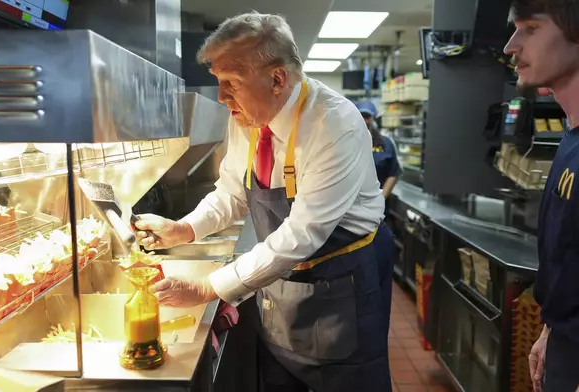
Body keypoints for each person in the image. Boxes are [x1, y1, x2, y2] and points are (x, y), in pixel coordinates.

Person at [134, 12, 395, 392]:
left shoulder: (333, 123)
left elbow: (304, 233)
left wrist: (209, 287)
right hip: (283, 275)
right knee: (280, 376)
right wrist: (185, 228)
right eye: (218, 82)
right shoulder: (246, 118)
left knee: (345, 378)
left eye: (232, 84)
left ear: (277, 79)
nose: (222, 98)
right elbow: (232, 191)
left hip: (342, 275)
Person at [504, 0, 579, 391]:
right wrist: (551, 329)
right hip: (568, 346)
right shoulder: (575, 133)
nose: (511, 45)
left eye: (530, 27)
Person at [356, 101, 402, 199]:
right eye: (361, 116)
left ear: (373, 118)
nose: (364, 121)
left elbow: (393, 173)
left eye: (367, 117)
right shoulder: (346, 141)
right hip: (351, 206)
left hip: (377, 205)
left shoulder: (386, 143)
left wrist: (380, 200)